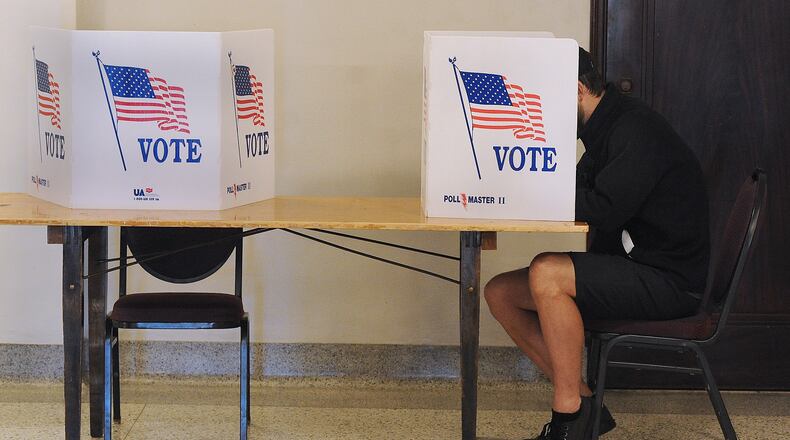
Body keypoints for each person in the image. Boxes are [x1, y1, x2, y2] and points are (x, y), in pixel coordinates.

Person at [483, 47, 709, 440]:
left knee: (547, 273)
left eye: (541, 101)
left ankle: (568, 418)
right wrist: (517, 186)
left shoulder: (634, 129)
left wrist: (530, 195)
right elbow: (577, 188)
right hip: (638, 265)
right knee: (500, 292)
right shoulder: (605, 126)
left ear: (573, 90)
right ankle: (587, 405)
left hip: (669, 280)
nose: (535, 112)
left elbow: (604, 208)